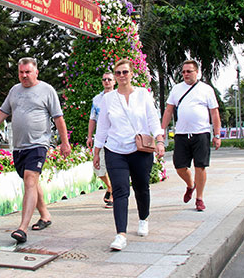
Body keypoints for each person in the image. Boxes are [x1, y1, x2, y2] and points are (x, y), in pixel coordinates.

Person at [0, 57, 71, 244]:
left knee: (30, 179)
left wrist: (65, 142)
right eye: (21, 72)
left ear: (36, 72)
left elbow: (58, 118)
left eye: (27, 72)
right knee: (32, 181)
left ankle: (22, 228)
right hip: (19, 147)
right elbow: (3, 112)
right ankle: (45, 216)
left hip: (38, 144)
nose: (24, 76)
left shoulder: (47, 90)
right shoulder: (15, 91)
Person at [94, 59, 165, 251]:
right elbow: (102, 128)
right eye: (118, 73)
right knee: (120, 191)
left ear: (132, 74)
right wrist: (96, 152)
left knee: (142, 187)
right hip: (115, 150)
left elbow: (152, 119)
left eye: (125, 72)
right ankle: (121, 235)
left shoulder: (142, 94)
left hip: (139, 150)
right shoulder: (108, 99)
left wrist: (159, 140)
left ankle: (143, 218)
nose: (121, 76)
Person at [160, 60, 222, 212]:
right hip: (181, 134)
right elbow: (168, 111)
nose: (186, 74)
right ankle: (190, 185)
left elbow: (214, 113)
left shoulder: (206, 90)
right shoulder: (176, 89)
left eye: (189, 71)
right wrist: (161, 131)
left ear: (197, 72)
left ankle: (199, 198)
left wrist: (217, 134)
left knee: (200, 166)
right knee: (180, 166)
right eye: (183, 72)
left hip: (201, 133)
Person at [87, 72, 115, 208]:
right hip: (101, 138)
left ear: (114, 81)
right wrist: (89, 136)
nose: (107, 81)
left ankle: (114, 195)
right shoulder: (96, 99)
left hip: (116, 138)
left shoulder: (119, 97)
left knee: (114, 167)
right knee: (98, 168)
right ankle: (110, 187)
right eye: (104, 79)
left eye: (109, 79)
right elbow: (92, 119)